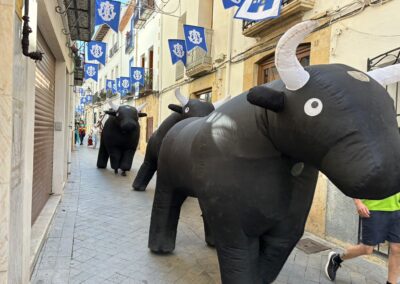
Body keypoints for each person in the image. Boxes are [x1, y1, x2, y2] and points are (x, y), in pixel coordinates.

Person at [325, 194, 400, 284]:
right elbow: (354, 181)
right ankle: (336, 259)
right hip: (373, 208)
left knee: (397, 249)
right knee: (367, 249)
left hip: (397, 209)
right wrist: (358, 202)